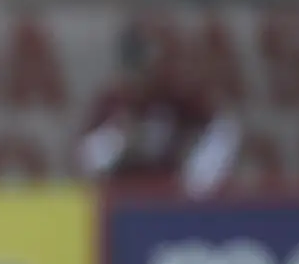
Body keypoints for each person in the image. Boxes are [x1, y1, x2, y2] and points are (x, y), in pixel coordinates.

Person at [77, 24, 240, 198]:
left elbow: (224, 129)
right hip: (122, 196)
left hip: (170, 196)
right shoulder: (113, 103)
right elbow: (86, 159)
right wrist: (118, 136)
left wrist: (196, 182)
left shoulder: (180, 101)